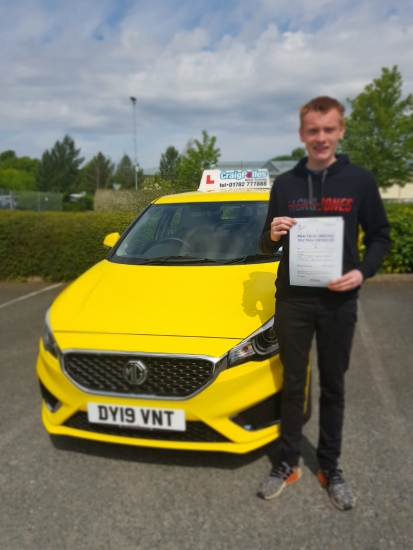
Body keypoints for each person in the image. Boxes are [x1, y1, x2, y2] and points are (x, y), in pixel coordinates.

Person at [257, 96, 390, 510]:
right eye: (313, 130)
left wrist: (363, 270)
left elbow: (382, 235)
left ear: (340, 131)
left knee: (333, 386)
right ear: (302, 134)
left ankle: (331, 467)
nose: (321, 137)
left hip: (337, 302)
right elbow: (264, 243)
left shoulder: (359, 181)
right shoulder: (285, 184)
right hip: (293, 302)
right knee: (293, 385)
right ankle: (287, 463)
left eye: (328, 129)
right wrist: (274, 234)